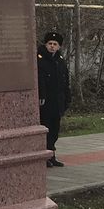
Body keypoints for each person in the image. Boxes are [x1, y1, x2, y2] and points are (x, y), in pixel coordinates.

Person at [37, 31, 70, 168]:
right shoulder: (40, 59)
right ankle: (44, 156)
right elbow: (40, 80)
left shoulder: (60, 60)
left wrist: (68, 97)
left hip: (58, 101)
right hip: (46, 101)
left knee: (55, 129)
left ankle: (52, 155)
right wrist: (41, 95)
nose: (52, 46)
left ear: (59, 46)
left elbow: (65, 80)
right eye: (49, 43)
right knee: (46, 128)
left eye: (55, 44)